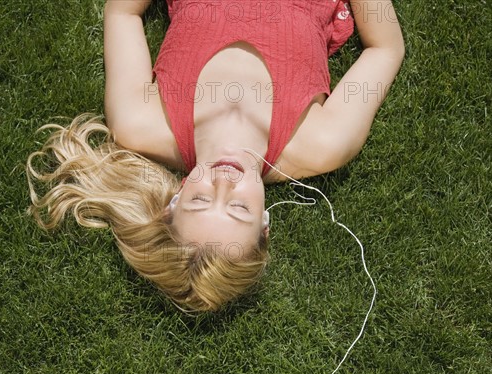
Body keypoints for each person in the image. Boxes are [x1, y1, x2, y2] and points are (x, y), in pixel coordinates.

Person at [27, 0, 404, 312]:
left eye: (202, 200)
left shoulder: (139, 121)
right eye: (239, 208)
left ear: (173, 202)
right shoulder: (324, 141)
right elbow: (385, 48)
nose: (226, 181)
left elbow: (122, 12)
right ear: (264, 225)